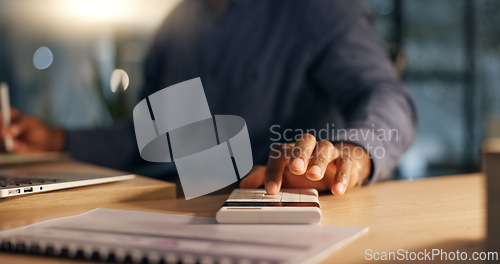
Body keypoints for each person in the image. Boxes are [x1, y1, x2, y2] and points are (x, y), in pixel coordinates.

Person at [1, 0, 416, 196]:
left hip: (288, 215)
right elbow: (146, 137)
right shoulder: (176, 24)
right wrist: (58, 141)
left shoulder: (318, 11)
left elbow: (385, 95)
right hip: (182, 212)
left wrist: (355, 153)